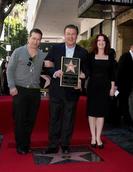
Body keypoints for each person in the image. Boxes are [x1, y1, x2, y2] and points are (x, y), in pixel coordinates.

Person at [44, 24, 89, 154]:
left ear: (77, 35)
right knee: (54, 118)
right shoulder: (55, 49)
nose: (70, 36)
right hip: (56, 90)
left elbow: (87, 70)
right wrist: (54, 71)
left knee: (68, 119)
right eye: (68, 34)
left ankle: (65, 144)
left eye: (73, 34)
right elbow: (47, 64)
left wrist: (82, 75)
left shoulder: (83, 52)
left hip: (72, 91)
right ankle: (53, 145)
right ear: (64, 35)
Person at [7, 28, 45, 154]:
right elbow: (10, 70)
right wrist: (11, 86)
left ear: (40, 41)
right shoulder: (18, 52)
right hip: (20, 90)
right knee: (20, 119)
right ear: (29, 38)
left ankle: (26, 143)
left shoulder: (42, 55)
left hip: (34, 91)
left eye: (38, 39)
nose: (35, 41)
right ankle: (20, 145)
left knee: (31, 119)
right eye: (33, 38)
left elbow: (47, 70)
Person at [86, 33, 116, 149]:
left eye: (103, 40)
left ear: (106, 43)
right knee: (92, 113)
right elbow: (86, 70)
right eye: (99, 40)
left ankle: (98, 138)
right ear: (96, 42)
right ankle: (93, 137)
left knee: (101, 113)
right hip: (93, 87)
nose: (101, 42)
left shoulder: (110, 56)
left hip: (105, 87)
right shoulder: (90, 56)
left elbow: (113, 74)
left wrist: (112, 88)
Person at [117, 44, 133, 128]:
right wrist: (117, 84)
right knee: (124, 102)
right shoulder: (125, 56)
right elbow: (119, 70)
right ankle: (126, 120)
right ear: (131, 47)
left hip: (130, 86)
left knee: (125, 103)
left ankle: (124, 119)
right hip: (123, 85)